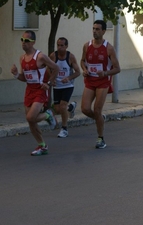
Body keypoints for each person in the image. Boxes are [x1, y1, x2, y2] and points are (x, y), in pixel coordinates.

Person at [11, 30, 60, 156]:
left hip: (40, 90)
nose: (23, 43)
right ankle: (42, 145)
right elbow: (25, 78)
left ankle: (48, 115)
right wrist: (16, 74)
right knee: (30, 121)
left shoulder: (40, 56)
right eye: (22, 40)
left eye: (26, 41)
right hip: (29, 90)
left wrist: (48, 83)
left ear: (33, 42)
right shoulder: (22, 58)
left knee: (30, 117)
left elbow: (56, 68)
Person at [80, 20, 121, 149]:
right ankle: (100, 118)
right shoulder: (87, 46)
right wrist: (85, 69)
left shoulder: (108, 48)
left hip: (103, 82)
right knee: (85, 109)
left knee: (97, 109)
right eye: (93, 28)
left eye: (98, 29)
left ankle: (101, 138)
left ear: (103, 31)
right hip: (90, 81)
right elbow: (82, 61)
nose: (95, 31)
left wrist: (105, 73)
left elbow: (117, 68)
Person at [49, 37, 81, 138]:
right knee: (58, 109)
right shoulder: (53, 56)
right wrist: (52, 79)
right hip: (57, 86)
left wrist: (69, 78)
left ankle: (64, 129)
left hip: (68, 85)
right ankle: (71, 107)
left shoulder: (70, 57)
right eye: (58, 45)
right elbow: (47, 69)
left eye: (62, 45)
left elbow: (78, 72)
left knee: (62, 106)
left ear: (66, 46)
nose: (59, 47)